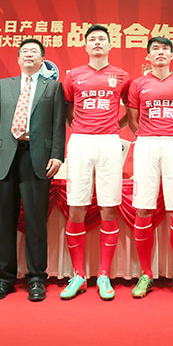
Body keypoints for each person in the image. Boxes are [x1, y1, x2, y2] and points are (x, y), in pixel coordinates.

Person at [0, 38, 66, 302]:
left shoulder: (53, 87)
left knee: (35, 222)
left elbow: (58, 124)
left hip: (36, 158)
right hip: (5, 156)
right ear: (18, 59)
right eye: (25, 52)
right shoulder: (3, 85)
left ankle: (37, 279)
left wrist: (57, 155)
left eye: (34, 52)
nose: (29, 55)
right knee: (5, 220)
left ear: (42, 60)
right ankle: (4, 279)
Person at [61, 24, 130, 301]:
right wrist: (80, 128)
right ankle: (78, 275)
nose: (97, 42)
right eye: (92, 39)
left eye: (102, 39)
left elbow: (132, 110)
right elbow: (67, 108)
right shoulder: (73, 75)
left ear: (110, 45)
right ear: (86, 46)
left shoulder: (122, 76)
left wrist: (113, 127)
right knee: (76, 205)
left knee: (108, 206)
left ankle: (103, 274)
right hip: (80, 142)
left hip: (109, 143)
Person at [127, 37, 173, 299]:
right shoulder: (138, 84)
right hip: (146, 144)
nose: (160, 53)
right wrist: (150, 136)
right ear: (148, 56)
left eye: (165, 49)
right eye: (155, 49)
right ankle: (146, 274)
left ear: (172, 55)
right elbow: (133, 120)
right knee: (143, 207)